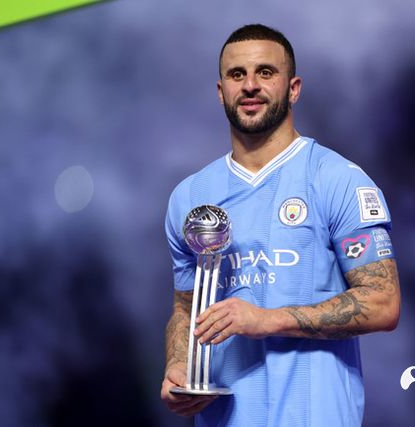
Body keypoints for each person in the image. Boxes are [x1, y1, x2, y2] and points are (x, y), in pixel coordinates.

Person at [160, 24, 401, 427]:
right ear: (221, 91)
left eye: (266, 72)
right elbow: (186, 307)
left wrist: (267, 319)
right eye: (237, 74)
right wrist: (179, 366)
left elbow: (383, 302)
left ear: (293, 89)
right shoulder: (190, 197)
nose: (250, 85)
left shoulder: (336, 179)